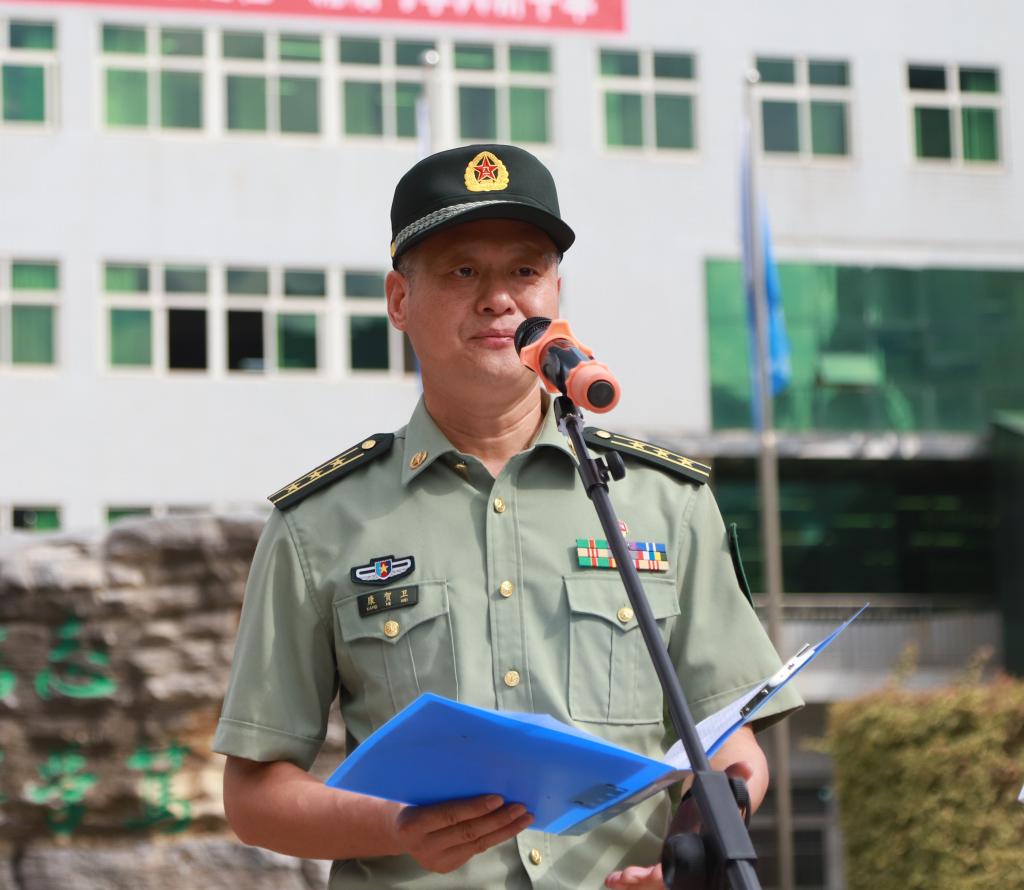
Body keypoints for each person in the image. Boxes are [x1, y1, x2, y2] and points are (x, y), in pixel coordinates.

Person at [213, 143, 802, 889]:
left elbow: (730, 739)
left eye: (525, 271)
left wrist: (688, 848)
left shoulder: (662, 501)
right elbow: (255, 794)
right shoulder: (319, 523)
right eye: (463, 272)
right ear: (399, 300)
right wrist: (394, 827)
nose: (499, 299)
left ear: (556, 293)